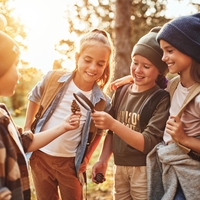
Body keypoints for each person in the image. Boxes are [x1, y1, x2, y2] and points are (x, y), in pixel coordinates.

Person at [109, 13, 200, 200]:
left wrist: (184, 138)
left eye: (169, 50)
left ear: (189, 49)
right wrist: (131, 78)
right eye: (162, 51)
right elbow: (157, 80)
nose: (164, 57)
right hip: (166, 165)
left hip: (188, 169)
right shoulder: (174, 86)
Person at [23, 29, 114, 200]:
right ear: (77, 57)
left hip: (70, 163)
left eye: (100, 64)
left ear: (106, 65)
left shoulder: (102, 101)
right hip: (40, 157)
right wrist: (28, 128)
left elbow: (100, 132)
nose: (93, 68)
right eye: (87, 60)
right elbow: (34, 97)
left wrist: (87, 157)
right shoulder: (53, 79)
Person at [91, 27, 170, 200]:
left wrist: (113, 123)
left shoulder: (160, 99)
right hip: (119, 166)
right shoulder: (122, 91)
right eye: (135, 62)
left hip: (144, 170)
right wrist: (103, 160)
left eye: (146, 66)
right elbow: (111, 133)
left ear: (159, 71)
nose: (138, 70)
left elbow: (148, 143)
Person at [0, 31, 81, 200]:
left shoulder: (3, 113)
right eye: (15, 65)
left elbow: (24, 145)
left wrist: (63, 127)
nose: (19, 73)